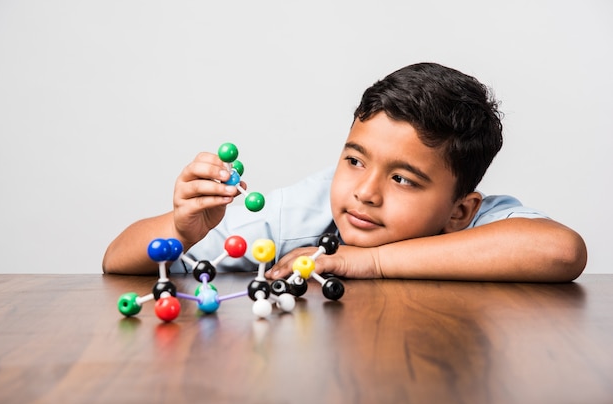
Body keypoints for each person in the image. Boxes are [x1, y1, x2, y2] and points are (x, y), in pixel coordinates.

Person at [103, 62, 587, 282]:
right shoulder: (303, 214)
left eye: (402, 179)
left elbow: (562, 251)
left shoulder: (478, 226)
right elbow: (117, 259)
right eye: (354, 161)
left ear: (460, 210)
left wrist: (372, 263)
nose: (365, 193)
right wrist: (181, 231)